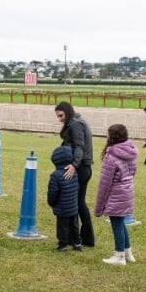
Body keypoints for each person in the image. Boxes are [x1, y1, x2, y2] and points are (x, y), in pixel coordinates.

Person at [95, 124, 139, 265]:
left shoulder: (111, 155)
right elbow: (133, 171)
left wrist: (99, 207)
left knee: (116, 223)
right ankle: (127, 252)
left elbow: (105, 182)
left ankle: (119, 255)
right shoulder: (131, 151)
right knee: (121, 222)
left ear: (112, 137)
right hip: (127, 191)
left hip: (116, 193)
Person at [54, 102, 95, 247]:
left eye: (61, 115)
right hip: (84, 166)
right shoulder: (78, 121)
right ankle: (83, 237)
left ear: (67, 112)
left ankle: (78, 238)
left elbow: (79, 147)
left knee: (76, 203)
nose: (59, 119)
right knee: (79, 203)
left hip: (81, 168)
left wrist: (74, 165)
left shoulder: (76, 124)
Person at [47, 145, 81, 252]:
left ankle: (63, 245)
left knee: (62, 227)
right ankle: (77, 243)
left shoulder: (55, 176)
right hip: (73, 206)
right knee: (74, 226)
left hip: (62, 208)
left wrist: (51, 202)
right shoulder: (74, 172)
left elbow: (53, 193)